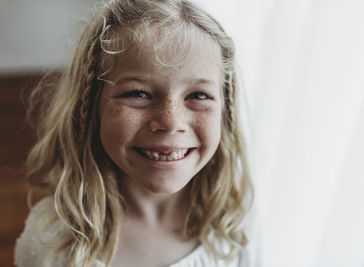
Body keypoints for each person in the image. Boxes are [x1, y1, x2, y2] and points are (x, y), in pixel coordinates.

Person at [14, 0, 252, 266]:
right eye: (138, 94)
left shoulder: (234, 223)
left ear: (225, 112)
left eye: (198, 95)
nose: (171, 122)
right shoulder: (52, 240)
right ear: (92, 106)